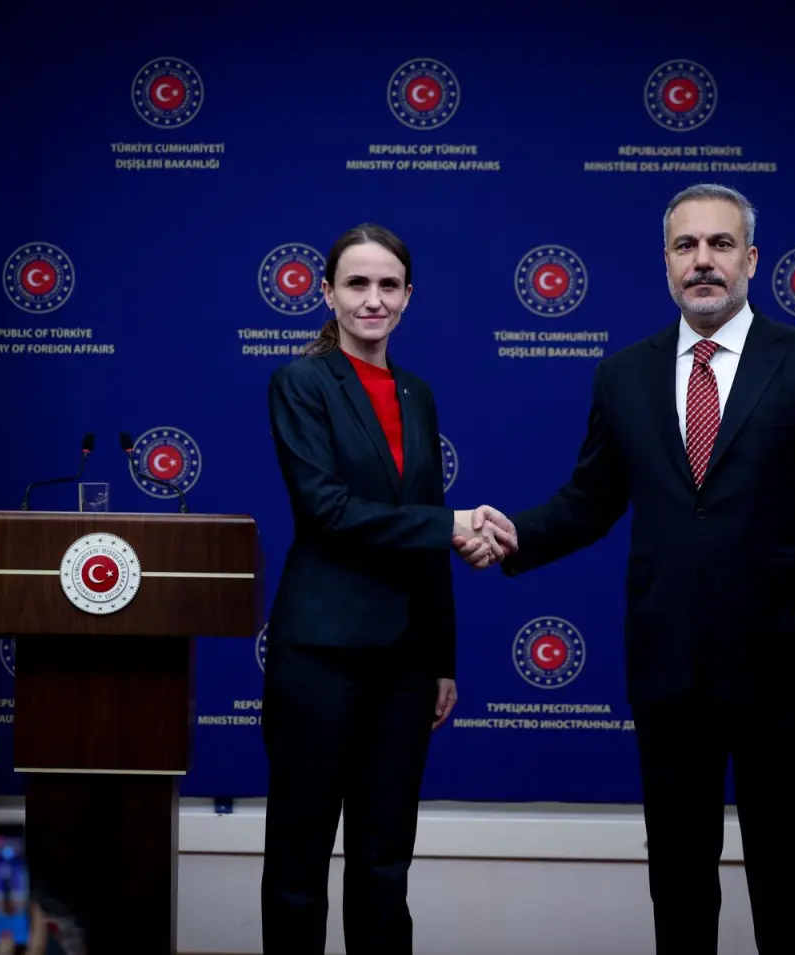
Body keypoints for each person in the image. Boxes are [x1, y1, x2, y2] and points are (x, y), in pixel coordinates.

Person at [456, 184, 795, 953]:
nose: (703, 261)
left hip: (782, 664)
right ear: (666, 264)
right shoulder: (624, 375)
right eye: (687, 246)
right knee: (679, 873)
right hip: (668, 666)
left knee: (788, 871)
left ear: (752, 259)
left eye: (721, 244)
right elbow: (590, 500)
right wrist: (517, 534)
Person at [261, 223, 513, 955]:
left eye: (388, 285)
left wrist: (441, 659)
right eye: (357, 283)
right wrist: (451, 523)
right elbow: (327, 511)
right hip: (320, 656)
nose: (373, 299)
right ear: (327, 293)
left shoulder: (417, 394)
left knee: (384, 862)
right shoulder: (301, 382)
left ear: (408, 296)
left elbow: (424, 529)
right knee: (299, 861)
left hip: (405, 663)